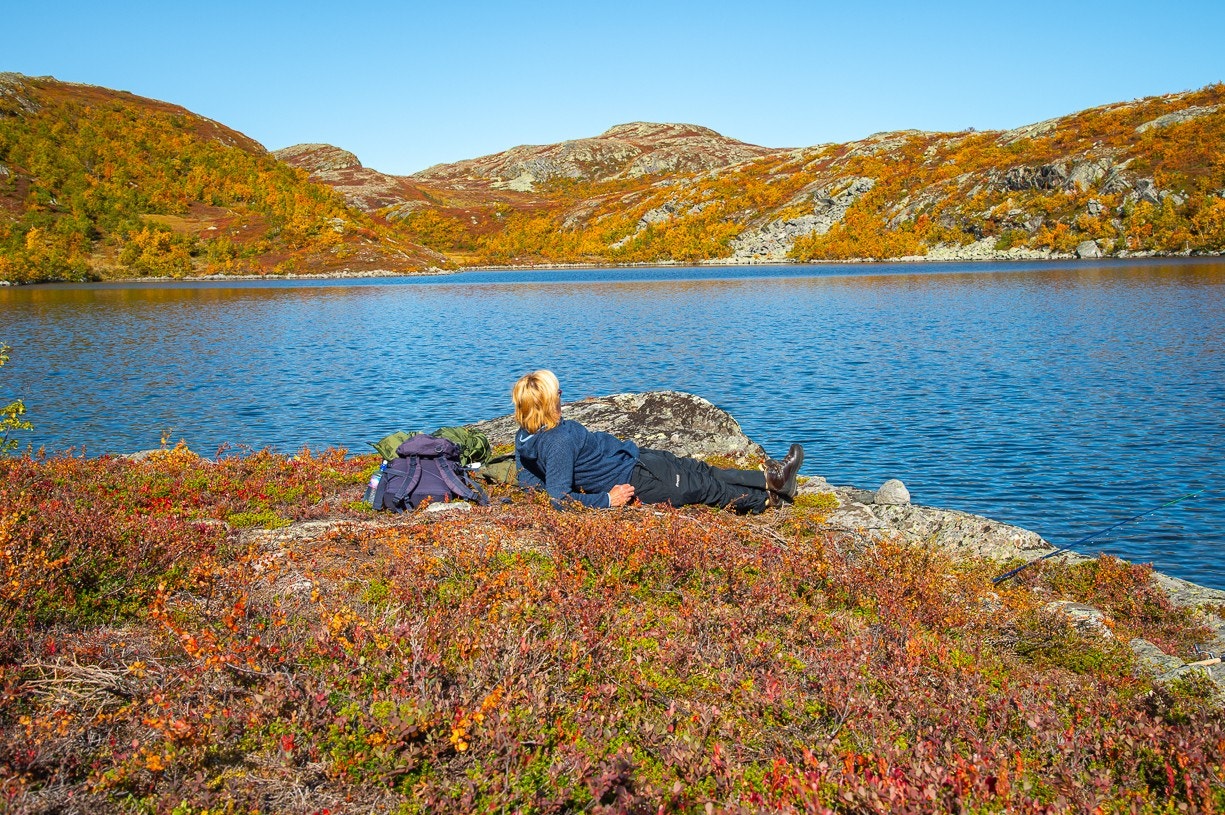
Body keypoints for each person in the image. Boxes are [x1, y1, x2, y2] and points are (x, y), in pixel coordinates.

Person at [512, 370, 803, 513]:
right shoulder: (557, 440)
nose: (563, 393)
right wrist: (606, 500)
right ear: (549, 401)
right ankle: (767, 501)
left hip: (634, 457)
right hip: (635, 478)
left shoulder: (525, 434)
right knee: (703, 488)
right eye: (558, 393)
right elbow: (558, 499)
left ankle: (772, 478)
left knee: (701, 469)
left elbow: (529, 478)